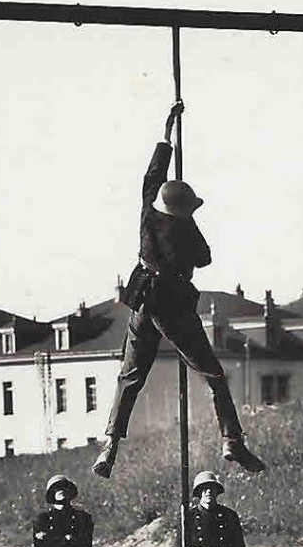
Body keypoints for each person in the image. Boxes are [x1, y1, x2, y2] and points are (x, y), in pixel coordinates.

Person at [94, 99, 266, 479]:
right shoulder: (180, 231)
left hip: (141, 301)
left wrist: (167, 131)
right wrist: (192, 224)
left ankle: (110, 446)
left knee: (130, 376)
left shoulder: (147, 206)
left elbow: (155, 170)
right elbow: (204, 259)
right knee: (214, 374)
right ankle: (232, 440)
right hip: (170, 307)